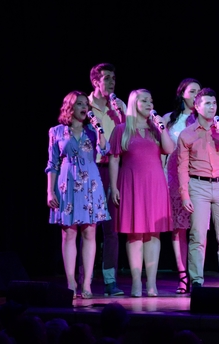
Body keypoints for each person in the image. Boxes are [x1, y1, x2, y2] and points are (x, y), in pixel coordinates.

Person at [109, 89, 175, 297]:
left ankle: (152, 283)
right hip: (131, 183)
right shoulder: (122, 129)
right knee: (134, 232)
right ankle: (137, 282)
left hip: (155, 184)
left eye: (151, 100)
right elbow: (114, 159)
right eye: (144, 100)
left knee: (153, 233)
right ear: (134, 103)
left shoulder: (155, 129)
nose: (149, 103)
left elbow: (169, 148)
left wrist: (162, 128)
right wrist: (113, 186)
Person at [46, 90, 111, 299]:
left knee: (90, 233)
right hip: (67, 185)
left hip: (90, 185)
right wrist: (50, 190)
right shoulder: (56, 132)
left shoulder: (92, 131)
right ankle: (71, 281)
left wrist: (100, 132)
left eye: (86, 104)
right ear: (70, 107)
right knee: (69, 233)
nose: (84, 107)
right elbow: (52, 164)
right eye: (80, 104)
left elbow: (105, 150)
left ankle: (87, 282)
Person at [177, 87, 219, 289]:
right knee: (198, 235)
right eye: (207, 103)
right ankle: (196, 280)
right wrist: (185, 194)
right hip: (198, 186)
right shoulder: (187, 134)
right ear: (197, 106)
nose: (212, 107)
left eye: (214, 103)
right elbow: (181, 167)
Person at [88, 62, 127, 297]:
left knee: (111, 229)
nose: (112, 82)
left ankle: (110, 280)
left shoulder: (119, 106)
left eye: (114, 78)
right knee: (89, 227)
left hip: (113, 169)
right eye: (107, 78)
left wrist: (121, 113)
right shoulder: (85, 105)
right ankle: (85, 280)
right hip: (90, 170)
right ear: (96, 81)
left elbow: (127, 134)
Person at [161, 78, 202, 294]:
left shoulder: (204, 118)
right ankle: (182, 274)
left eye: (199, 91)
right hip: (173, 177)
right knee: (178, 229)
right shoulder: (169, 119)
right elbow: (161, 151)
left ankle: (197, 276)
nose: (196, 95)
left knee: (197, 227)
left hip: (197, 176)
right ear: (182, 94)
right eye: (192, 91)